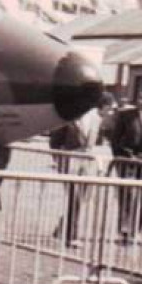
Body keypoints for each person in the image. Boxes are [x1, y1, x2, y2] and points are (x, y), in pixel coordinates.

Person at [47, 93, 112, 248]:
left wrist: (99, 164)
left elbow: (95, 144)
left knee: (81, 199)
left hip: (86, 162)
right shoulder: (68, 117)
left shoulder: (96, 119)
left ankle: (61, 228)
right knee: (73, 197)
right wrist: (58, 159)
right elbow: (54, 141)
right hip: (69, 159)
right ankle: (71, 236)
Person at [107, 85, 142, 242]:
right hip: (128, 161)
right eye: (140, 98)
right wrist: (120, 158)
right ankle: (124, 230)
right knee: (127, 195)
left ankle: (137, 230)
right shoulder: (125, 115)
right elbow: (115, 140)